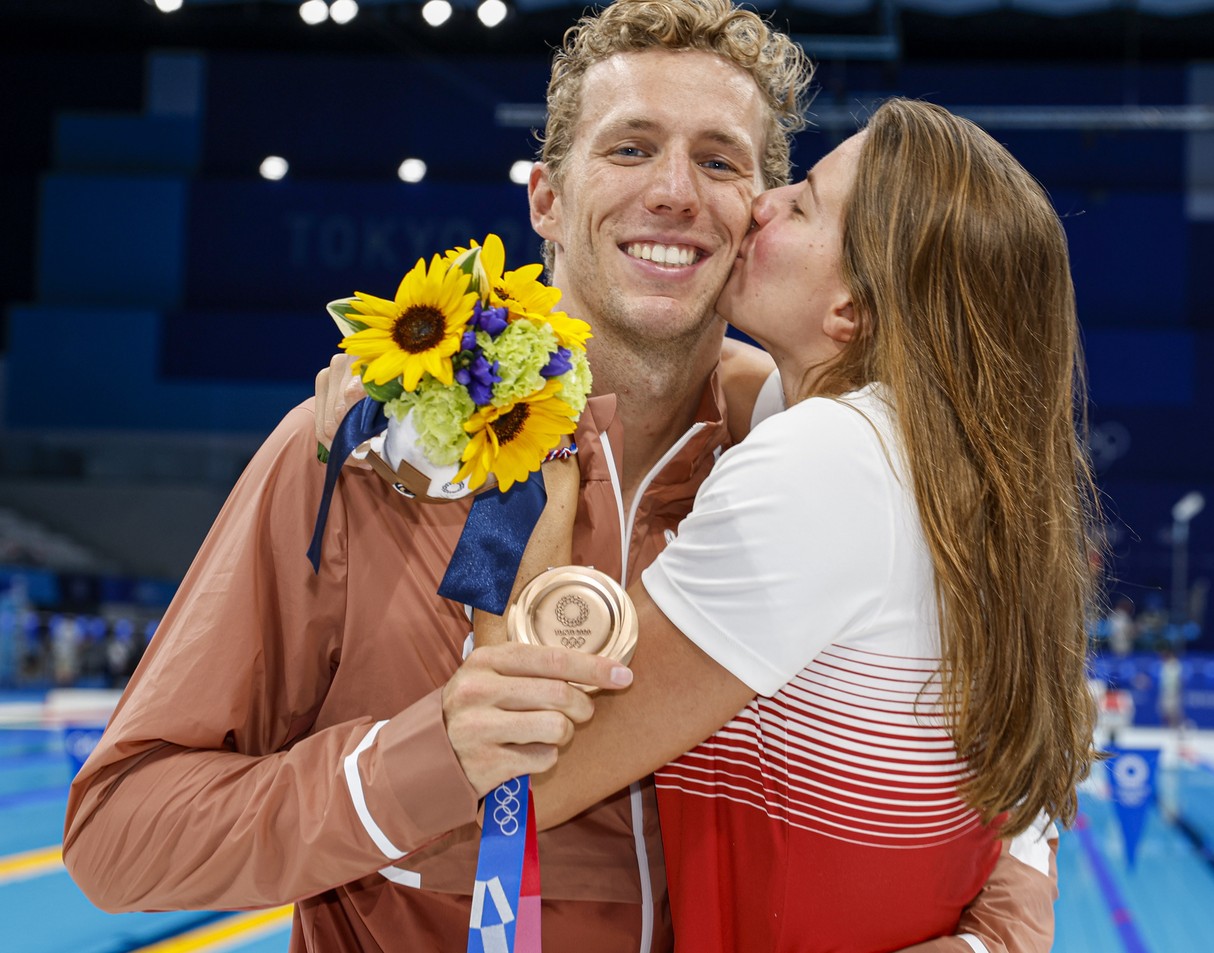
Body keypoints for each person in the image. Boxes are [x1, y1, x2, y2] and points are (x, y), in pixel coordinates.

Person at [63, 2, 1051, 951]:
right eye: (629, 147)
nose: (673, 190)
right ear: (547, 196)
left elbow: (1007, 763)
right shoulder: (362, 458)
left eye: (719, 160)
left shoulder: (817, 466)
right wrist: (412, 763)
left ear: (757, 215)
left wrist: (991, 941)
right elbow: (119, 835)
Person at [525, 98, 1100, 951]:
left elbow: (534, 774)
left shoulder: (828, 460)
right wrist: (450, 344)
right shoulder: (951, 466)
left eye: (802, 204)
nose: (764, 201)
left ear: (852, 315)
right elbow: (696, 358)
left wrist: (542, 470)